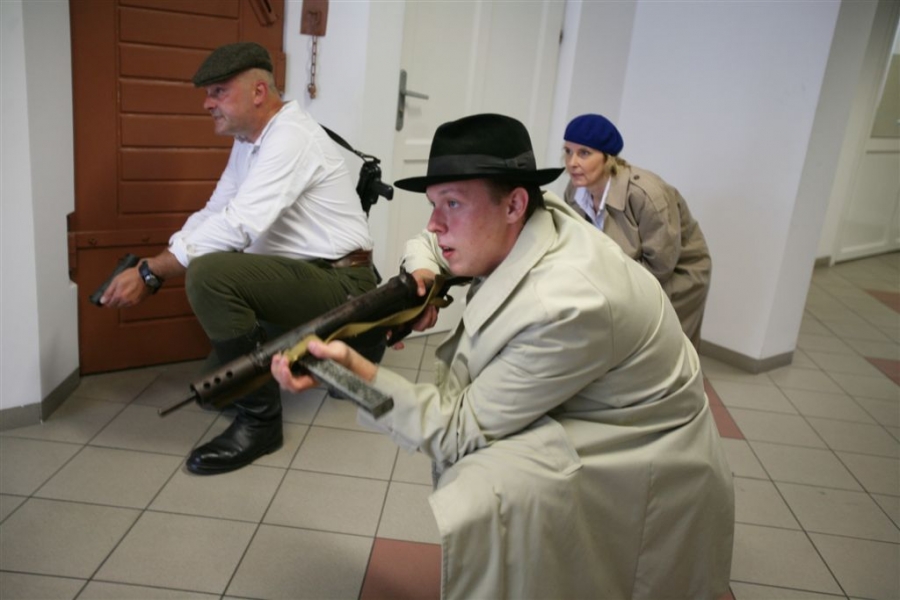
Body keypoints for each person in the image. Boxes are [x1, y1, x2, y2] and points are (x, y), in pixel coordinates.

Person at [271, 114, 734, 599]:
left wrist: (353, 377)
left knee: (490, 486)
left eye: (453, 203)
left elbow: (456, 432)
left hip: (646, 447)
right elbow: (427, 243)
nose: (434, 223)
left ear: (514, 204)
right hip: (609, 404)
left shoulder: (568, 303)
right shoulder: (535, 216)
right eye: (433, 204)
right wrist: (423, 277)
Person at [100, 42, 383, 475]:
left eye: (218, 92)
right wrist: (154, 264)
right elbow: (216, 211)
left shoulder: (291, 136)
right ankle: (332, 349)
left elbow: (237, 227)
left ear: (258, 92)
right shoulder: (250, 141)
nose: (206, 103)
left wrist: (152, 272)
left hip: (342, 283)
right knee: (217, 389)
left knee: (209, 275)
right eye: (207, 94)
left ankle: (262, 425)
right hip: (297, 280)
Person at [563, 113, 712, 349]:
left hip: (677, 274)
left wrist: (605, 286)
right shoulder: (575, 191)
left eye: (584, 153)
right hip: (625, 274)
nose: (572, 162)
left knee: (666, 350)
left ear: (607, 158)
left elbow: (661, 265)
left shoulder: (646, 194)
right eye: (568, 151)